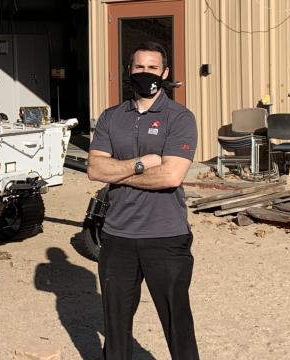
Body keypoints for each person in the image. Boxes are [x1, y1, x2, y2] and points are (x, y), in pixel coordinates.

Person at [87, 41, 199, 359]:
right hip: (117, 236)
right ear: (129, 70)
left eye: (152, 67)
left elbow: (171, 176)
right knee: (116, 326)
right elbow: (95, 169)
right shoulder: (111, 117)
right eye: (139, 67)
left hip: (166, 236)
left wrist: (117, 172)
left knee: (178, 324)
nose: (145, 73)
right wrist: (142, 162)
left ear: (164, 73)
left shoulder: (179, 118)